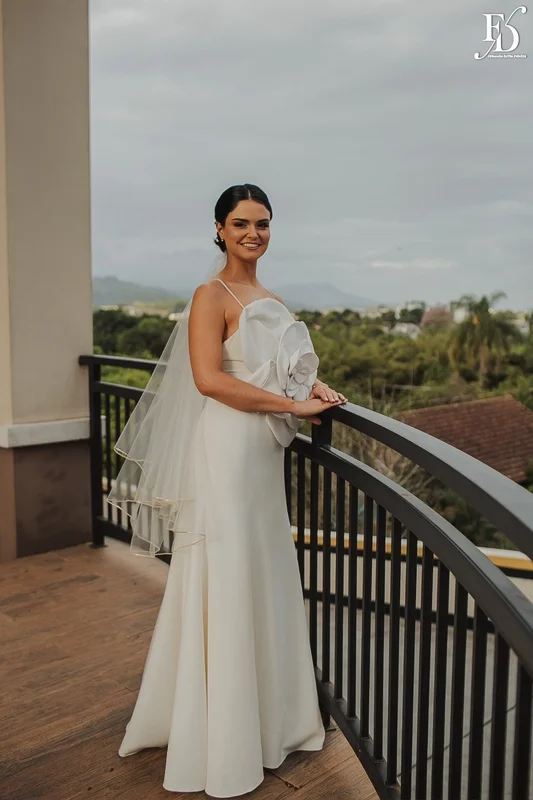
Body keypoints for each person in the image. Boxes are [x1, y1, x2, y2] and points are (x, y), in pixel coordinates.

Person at [111, 184, 347, 797]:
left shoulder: (269, 297)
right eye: (241, 223)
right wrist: (292, 404)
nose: (253, 233)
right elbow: (210, 380)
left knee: (262, 570)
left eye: (263, 223)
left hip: (263, 454)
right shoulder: (208, 295)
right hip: (226, 449)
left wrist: (319, 391)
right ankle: (223, 736)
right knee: (227, 570)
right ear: (219, 229)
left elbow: (285, 365)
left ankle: (273, 720)